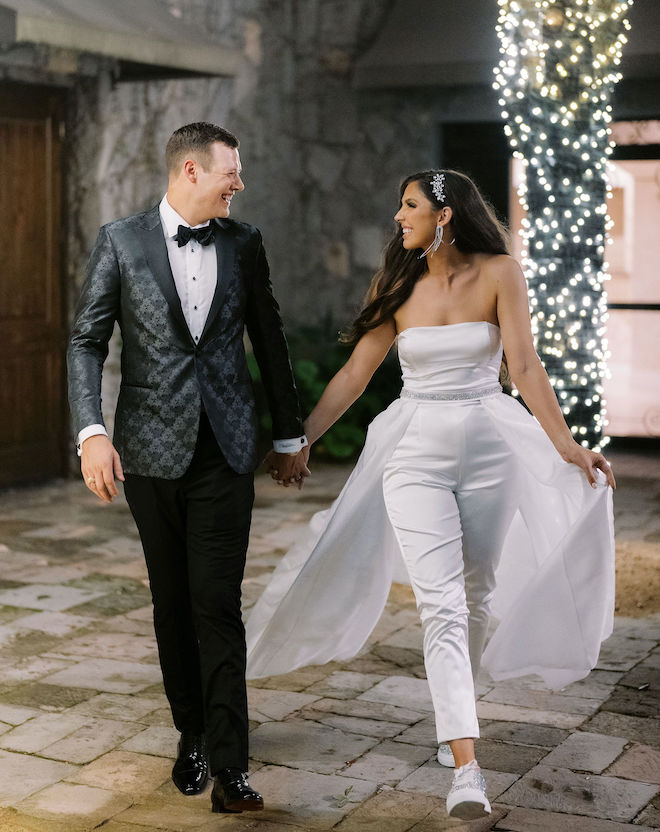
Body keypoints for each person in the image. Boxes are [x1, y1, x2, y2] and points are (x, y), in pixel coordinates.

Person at [249, 169, 616, 821]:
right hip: (414, 453)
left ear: (445, 214)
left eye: (410, 205)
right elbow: (356, 374)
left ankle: (458, 714)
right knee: (441, 604)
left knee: (474, 595)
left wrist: (567, 447)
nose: (398, 216)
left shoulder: (502, 273)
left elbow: (525, 367)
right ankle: (466, 767)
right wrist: (297, 441)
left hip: (490, 448)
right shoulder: (398, 285)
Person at [67, 122, 309, 815]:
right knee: (172, 603)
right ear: (191, 173)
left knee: (217, 602)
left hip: (227, 450)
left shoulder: (245, 243)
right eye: (231, 171)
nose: (241, 183)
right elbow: (86, 340)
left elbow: (269, 335)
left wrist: (289, 432)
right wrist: (91, 431)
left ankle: (232, 766)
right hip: (148, 451)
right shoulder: (120, 241)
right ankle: (192, 731)